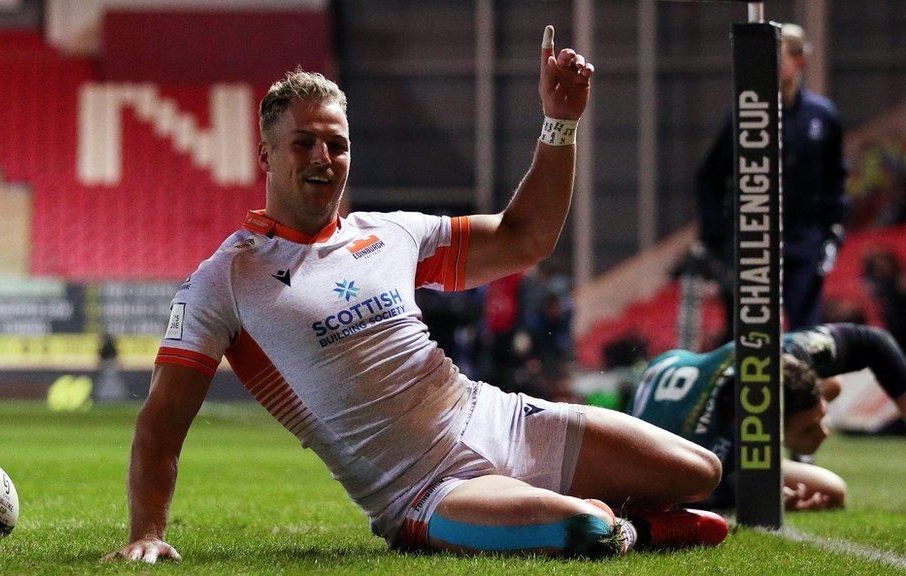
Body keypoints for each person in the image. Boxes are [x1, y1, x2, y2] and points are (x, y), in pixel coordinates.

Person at [104, 26, 729, 563]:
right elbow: (162, 419)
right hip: (425, 490)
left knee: (701, 472)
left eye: (338, 143)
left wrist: (559, 123)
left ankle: (615, 516)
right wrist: (146, 533)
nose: (325, 157)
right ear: (264, 152)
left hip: (500, 419)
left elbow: (525, 238)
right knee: (584, 528)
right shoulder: (226, 278)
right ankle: (630, 525)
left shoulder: (393, 233)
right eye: (304, 143)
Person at [628, 323, 906, 511]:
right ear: (761, 433)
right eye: (809, 429)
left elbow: (874, 342)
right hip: (655, 413)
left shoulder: (788, 355)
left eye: (820, 419)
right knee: (832, 490)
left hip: (688, 369)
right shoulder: (709, 453)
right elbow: (674, 502)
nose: (825, 433)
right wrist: (753, 495)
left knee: (834, 384)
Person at [696, 23, 847, 342]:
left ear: (798, 62)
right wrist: (718, 240)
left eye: (777, 59)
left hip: (805, 245)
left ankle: (802, 389)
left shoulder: (822, 116)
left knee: (805, 337)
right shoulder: (743, 115)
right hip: (751, 244)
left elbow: (836, 178)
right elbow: (709, 177)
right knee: (748, 337)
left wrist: (833, 229)